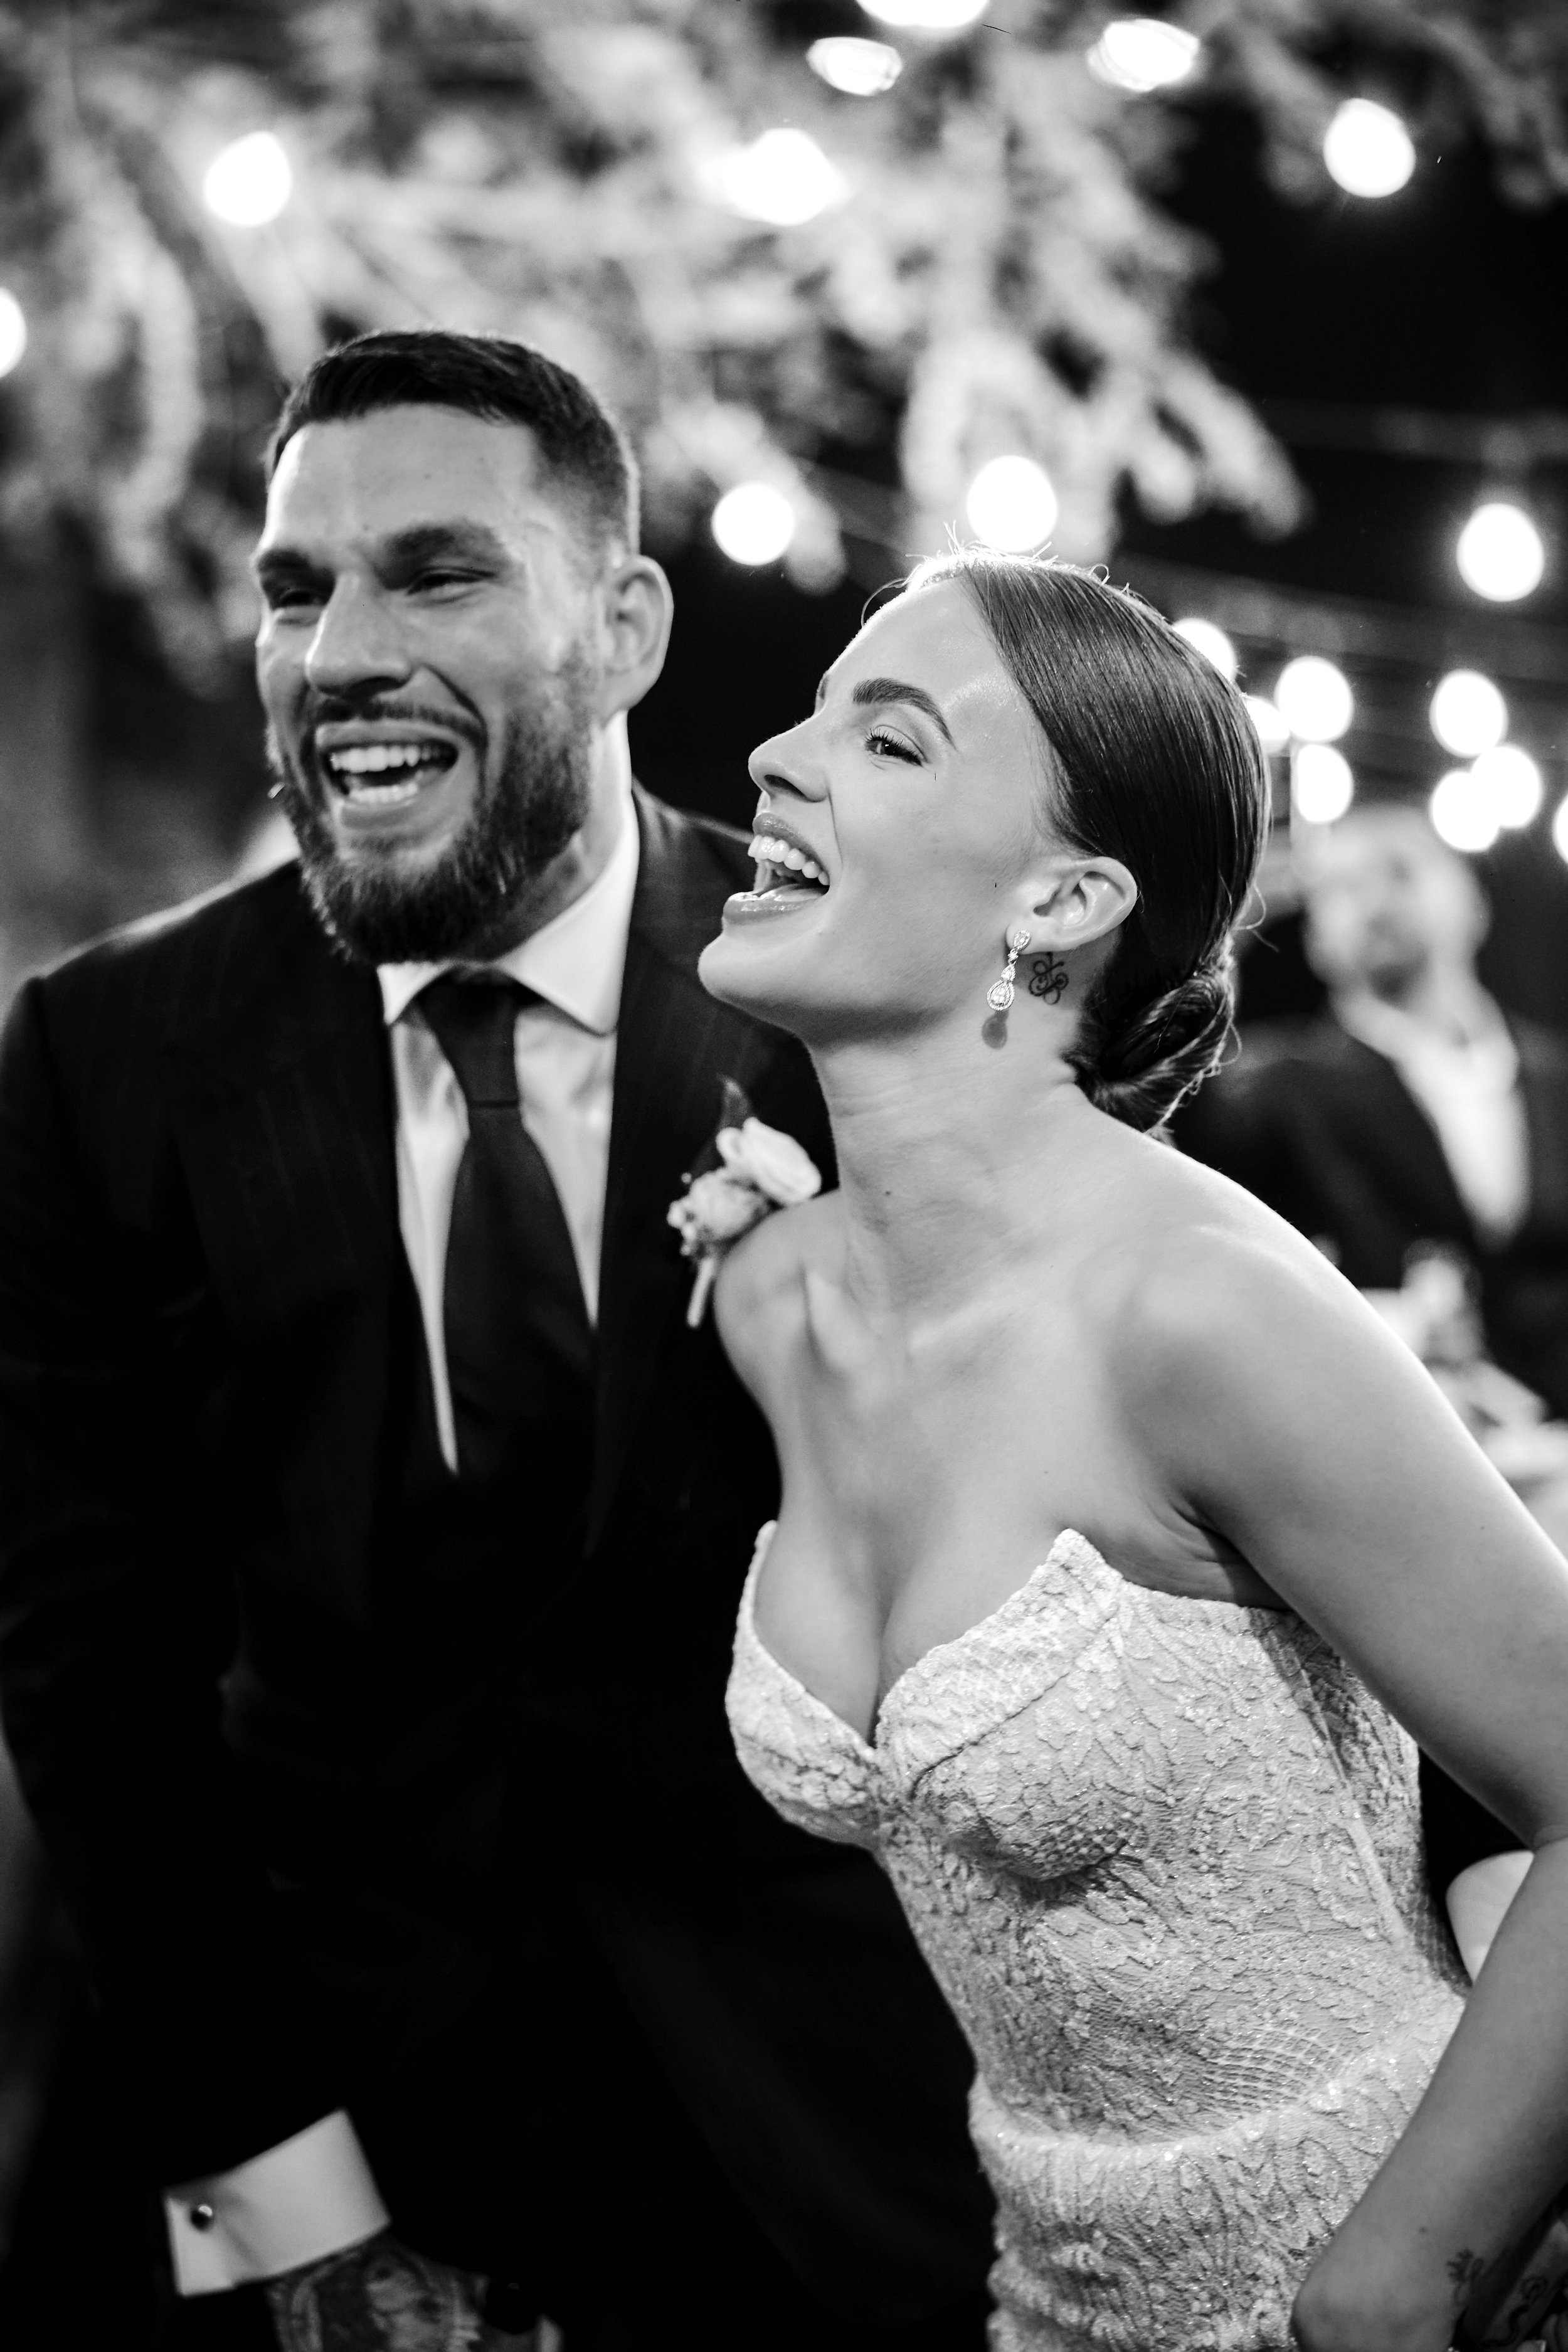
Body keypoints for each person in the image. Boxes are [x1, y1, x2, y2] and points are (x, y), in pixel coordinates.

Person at [0, 332, 994, 2352]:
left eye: (435, 571)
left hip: (806, 2170)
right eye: (296, 589)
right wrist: (289, 2212)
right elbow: (90, 1686)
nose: (337, 649)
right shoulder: (98, 1058)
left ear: (621, 625)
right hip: (294, 2140)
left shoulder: (871, 1013)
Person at [701, 549, 1568, 2352]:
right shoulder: (775, 1300)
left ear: (1064, 896)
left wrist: (1397, 2278)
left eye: (886, 738)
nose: (777, 755)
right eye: (808, 714)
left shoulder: (1196, 1309)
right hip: (1040, 2303)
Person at [1177, 802, 1568, 1421]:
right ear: (1313, 937)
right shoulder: (1271, 1090)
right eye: (1343, 887)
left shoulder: (1554, 1077)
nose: (1375, 901)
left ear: (1473, 902)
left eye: (1399, 871)